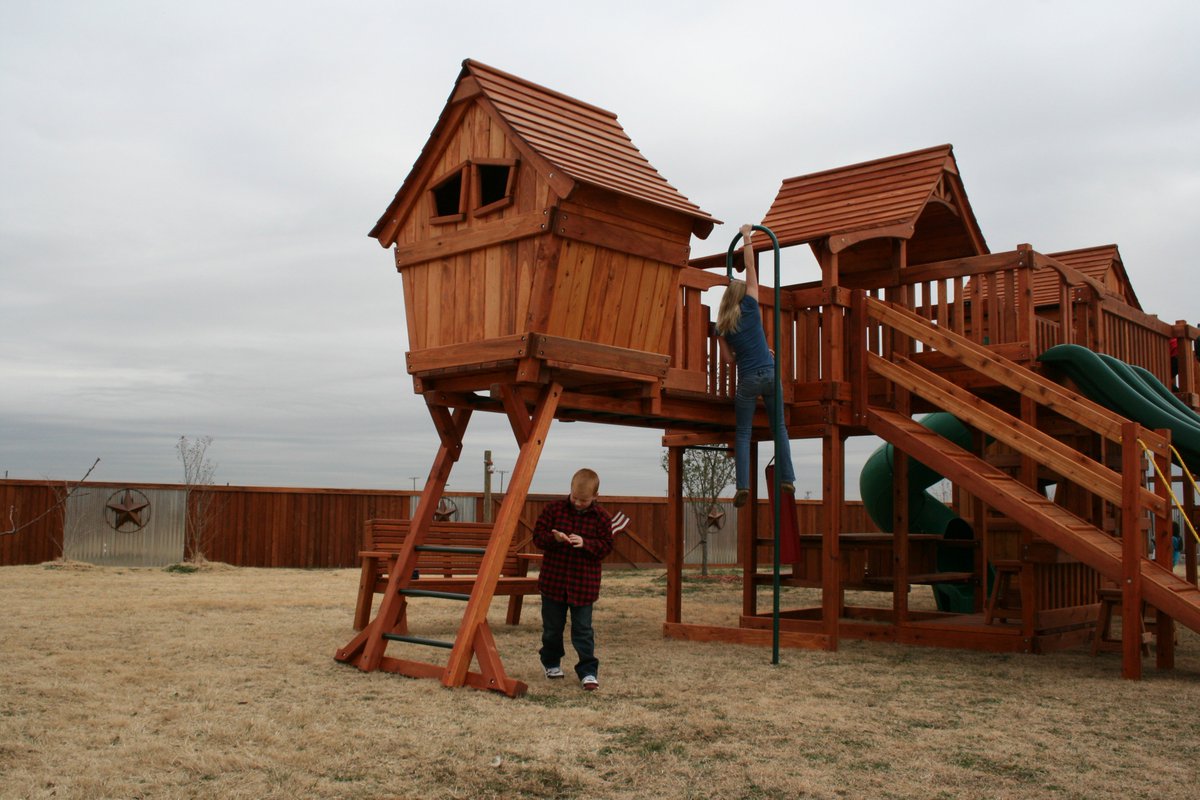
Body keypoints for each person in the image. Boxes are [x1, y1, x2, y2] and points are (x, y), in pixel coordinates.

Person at [717, 224, 796, 508]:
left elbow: (728, 359)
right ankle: (787, 478)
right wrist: (748, 237)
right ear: (742, 295)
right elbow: (750, 268)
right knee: (780, 429)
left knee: (743, 432)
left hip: (748, 378)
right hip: (770, 373)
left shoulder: (723, 326)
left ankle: (743, 486)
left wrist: (744, 354)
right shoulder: (751, 306)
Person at [532, 467, 614, 690]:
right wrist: (554, 538)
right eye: (575, 498)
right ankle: (551, 662)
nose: (578, 503)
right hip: (553, 582)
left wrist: (586, 543)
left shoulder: (602, 518)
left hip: (583, 585)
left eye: (584, 500)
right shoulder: (554, 510)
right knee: (552, 629)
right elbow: (537, 537)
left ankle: (588, 671)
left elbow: (607, 547)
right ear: (570, 490)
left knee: (583, 630)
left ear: (595, 497)